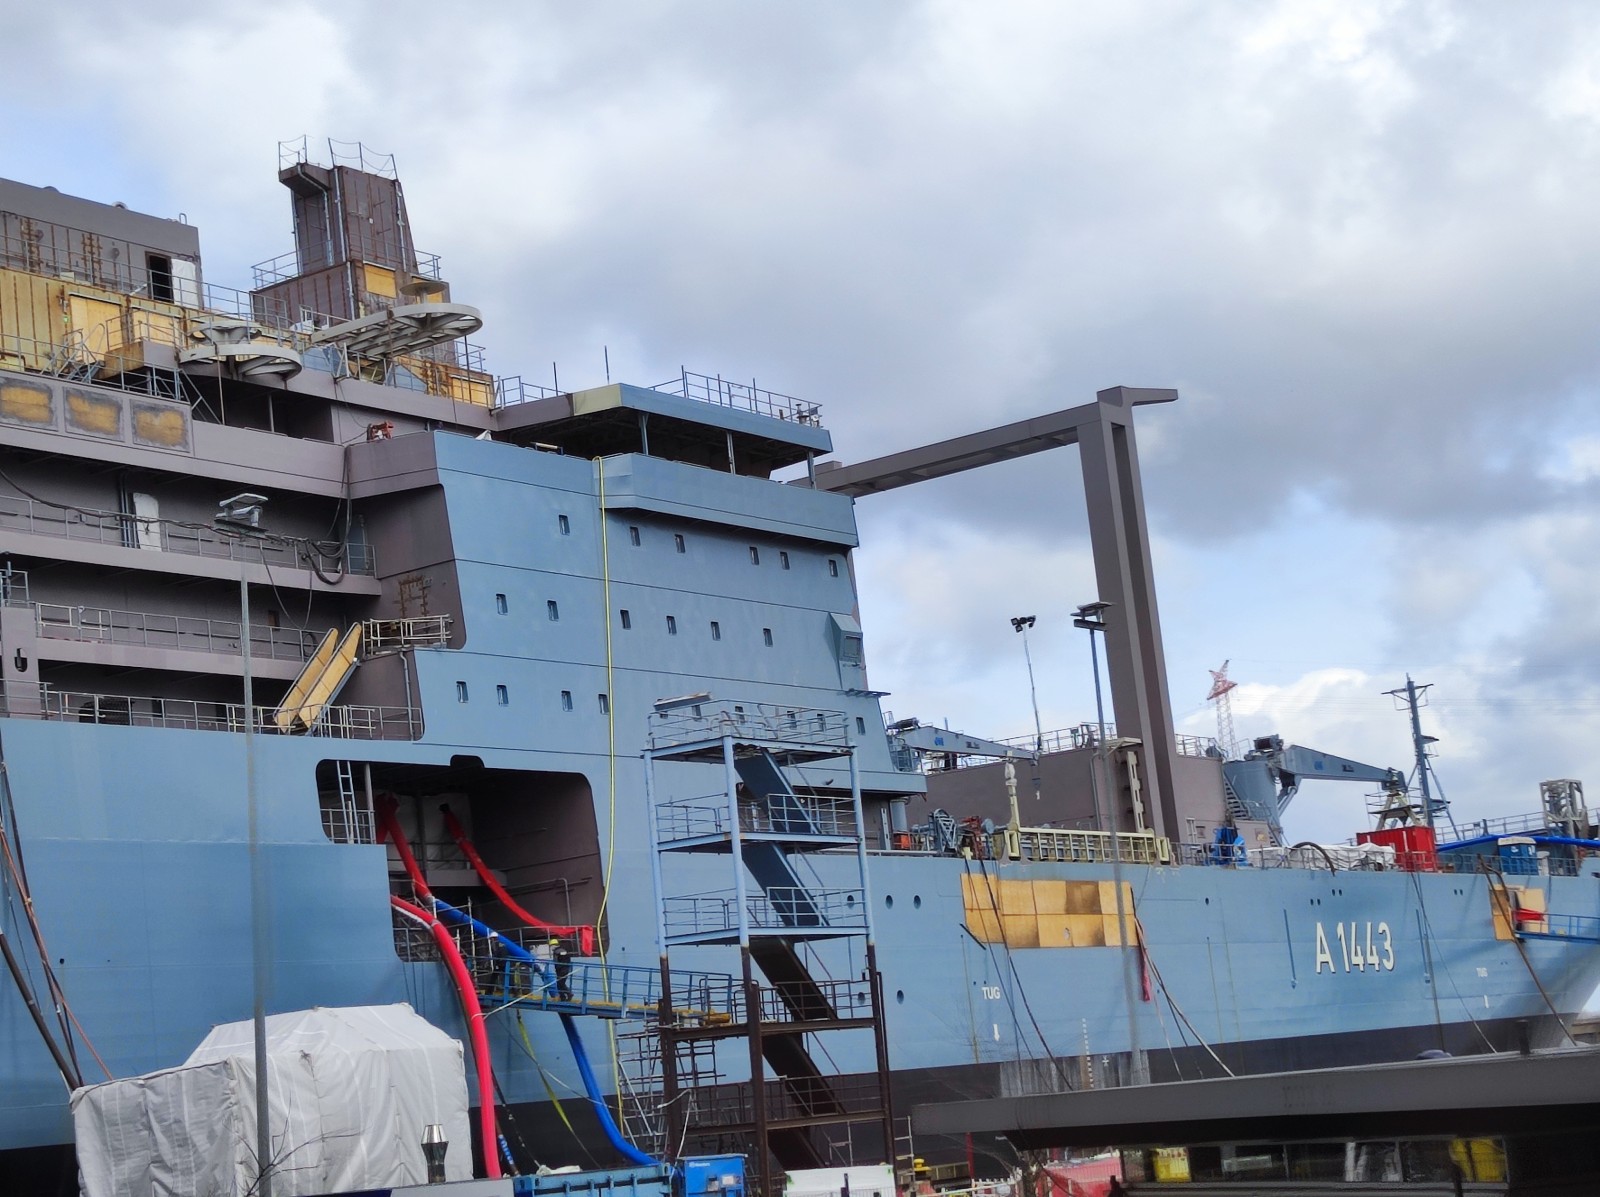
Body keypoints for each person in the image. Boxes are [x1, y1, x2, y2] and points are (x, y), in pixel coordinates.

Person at [551, 936, 573, 1001]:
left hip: (561, 970)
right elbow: (568, 959)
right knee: (561, 983)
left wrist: (557, 969)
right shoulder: (563, 950)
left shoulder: (556, 952)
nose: (550, 947)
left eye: (551, 946)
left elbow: (556, 962)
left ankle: (567, 995)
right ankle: (564, 996)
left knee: (560, 984)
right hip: (566, 969)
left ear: (553, 945)